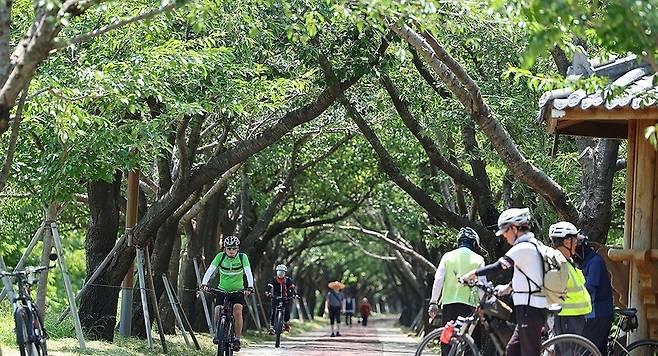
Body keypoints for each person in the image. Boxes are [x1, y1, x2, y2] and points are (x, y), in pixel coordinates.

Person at [464, 208, 548, 356]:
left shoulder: (523, 247)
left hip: (531, 309)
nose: (503, 235)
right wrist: (508, 288)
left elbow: (499, 266)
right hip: (527, 309)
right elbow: (528, 276)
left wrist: (474, 273)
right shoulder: (532, 245)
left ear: (515, 228)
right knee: (512, 351)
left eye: (505, 230)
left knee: (530, 353)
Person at [428, 227, 486, 356]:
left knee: (447, 339)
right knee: (470, 342)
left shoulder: (447, 257)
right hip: (470, 306)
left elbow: (438, 280)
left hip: (449, 305)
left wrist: (433, 302)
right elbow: (482, 285)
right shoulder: (478, 259)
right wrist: (483, 305)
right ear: (474, 243)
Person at [201, 235, 254, 352]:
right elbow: (210, 269)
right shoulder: (220, 257)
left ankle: (237, 338)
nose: (231, 251)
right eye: (228, 248)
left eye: (233, 248)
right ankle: (217, 333)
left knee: (237, 310)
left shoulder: (242, 257)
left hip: (238, 291)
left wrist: (250, 286)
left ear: (238, 248)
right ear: (225, 249)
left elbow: (248, 272)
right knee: (218, 309)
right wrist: (204, 283)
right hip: (222, 290)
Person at [548, 221, 592, 356]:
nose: (577, 243)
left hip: (574, 318)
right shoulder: (558, 262)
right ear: (567, 241)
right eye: (574, 239)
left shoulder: (568, 261)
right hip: (566, 318)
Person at [576, 234, 614, 355]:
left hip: (598, 314)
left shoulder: (595, 261)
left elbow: (589, 288)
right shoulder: (584, 262)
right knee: (598, 351)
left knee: (587, 351)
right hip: (593, 313)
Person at [265, 264, 298, 334]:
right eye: (279, 271)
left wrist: (295, 294)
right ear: (277, 272)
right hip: (276, 297)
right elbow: (269, 286)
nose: (280, 273)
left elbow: (292, 288)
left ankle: (286, 323)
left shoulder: (288, 280)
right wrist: (267, 292)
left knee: (287, 312)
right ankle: (271, 327)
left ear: (285, 273)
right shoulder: (274, 279)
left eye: (282, 272)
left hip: (286, 298)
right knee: (273, 311)